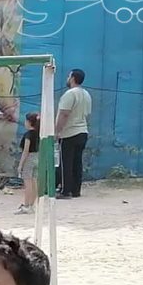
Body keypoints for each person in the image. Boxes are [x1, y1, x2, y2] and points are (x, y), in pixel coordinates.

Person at [54, 69, 91, 198]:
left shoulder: (70, 94)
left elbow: (64, 114)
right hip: (82, 131)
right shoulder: (86, 94)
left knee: (66, 163)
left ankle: (65, 190)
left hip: (69, 132)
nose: (67, 78)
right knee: (77, 162)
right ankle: (76, 190)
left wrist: (57, 130)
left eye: (68, 76)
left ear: (73, 78)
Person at [15, 108, 40, 214]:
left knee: (28, 183)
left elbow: (26, 151)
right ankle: (32, 205)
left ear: (29, 122)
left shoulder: (28, 135)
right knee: (34, 182)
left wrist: (20, 165)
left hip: (29, 158)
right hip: (37, 157)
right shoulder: (39, 134)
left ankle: (26, 205)